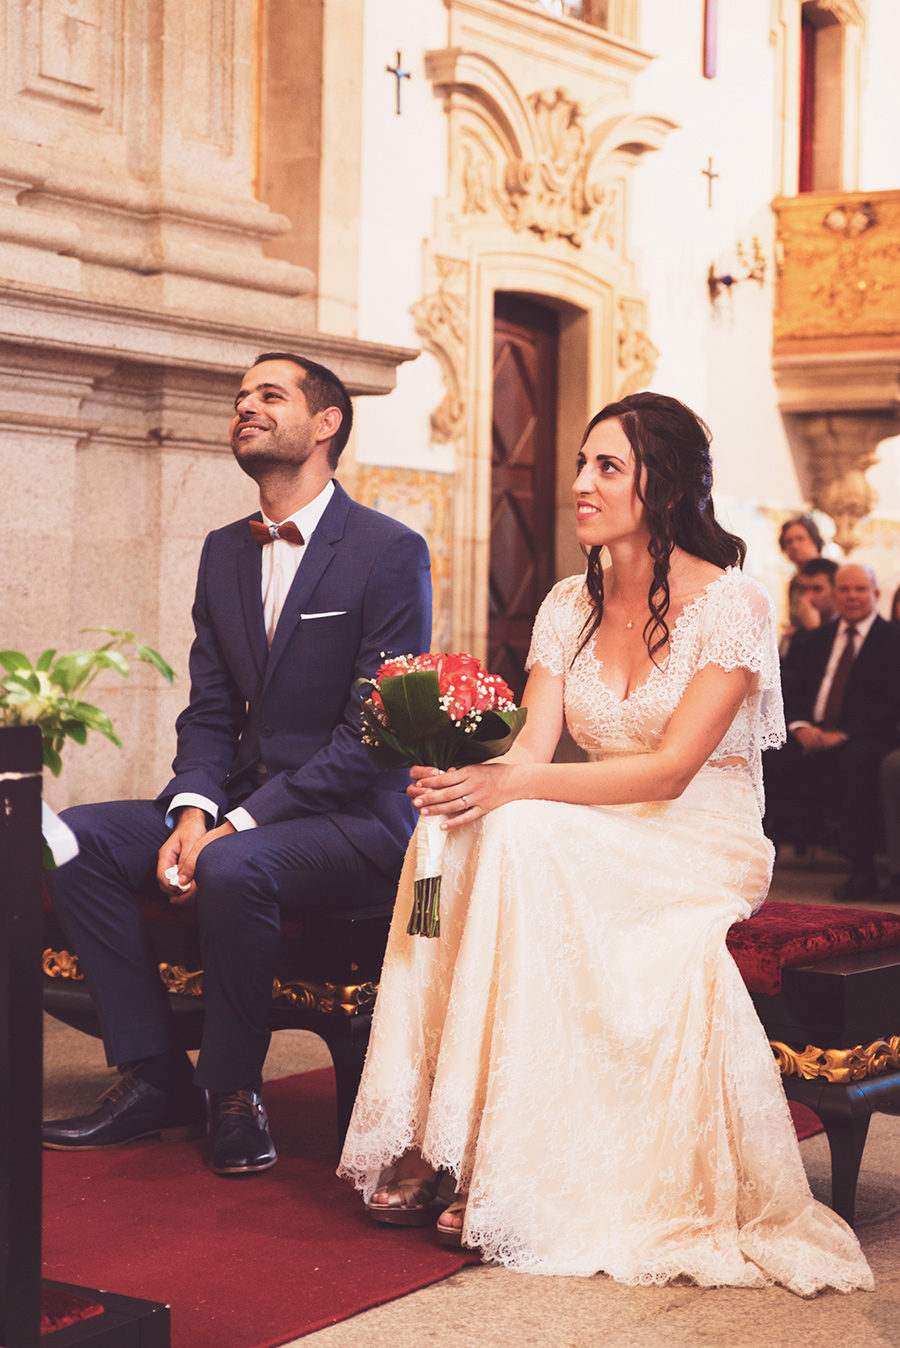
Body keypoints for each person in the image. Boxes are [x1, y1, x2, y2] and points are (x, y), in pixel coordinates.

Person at [338, 392, 872, 1294]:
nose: (580, 484)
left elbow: (668, 773)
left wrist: (512, 790)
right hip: (596, 822)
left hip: (700, 837)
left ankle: (498, 1161)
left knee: (521, 829)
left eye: (606, 468)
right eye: (582, 464)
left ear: (659, 487)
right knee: (454, 834)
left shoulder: (733, 605)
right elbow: (533, 748)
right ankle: (445, 1134)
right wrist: (459, 776)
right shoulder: (564, 603)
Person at [42, 353, 432, 1175]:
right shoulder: (223, 551)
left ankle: (233, 1092)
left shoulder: (389, 551)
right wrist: (193, 811)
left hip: (357, 821)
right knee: (74, 839)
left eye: (268, 395)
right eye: (239, 398)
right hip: (243, 806)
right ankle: (154, 1077)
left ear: (326, 423)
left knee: (234, 869)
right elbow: (211, 708)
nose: (245, 408)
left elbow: (374, 732)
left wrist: (237, 825)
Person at [765, 563, 900, 903]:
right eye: (844, 589)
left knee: (859, 761)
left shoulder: (893, 641)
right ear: (835, 594)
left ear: (875, 595)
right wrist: (799, 726)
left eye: (859, 590)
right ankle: (761, 859)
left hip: (866, 736)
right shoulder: (814, 639)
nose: (852, 596)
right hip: (809, 731)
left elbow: (892, 706)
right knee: (766, 751)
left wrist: (845, 734)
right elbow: (789, 693)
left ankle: (862, 869)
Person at [777, 514, 824, 649]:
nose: (795, 546)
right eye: (789, 541)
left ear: (814, 541)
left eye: (800, 539)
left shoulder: (830, 576)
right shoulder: (794, 581)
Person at [778, 557, 838, 658]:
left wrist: (814, 631)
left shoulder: (847, 631)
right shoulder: (799, 635)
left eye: (817, 589)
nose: (807, 597)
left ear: (836, 591)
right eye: (804, 589)